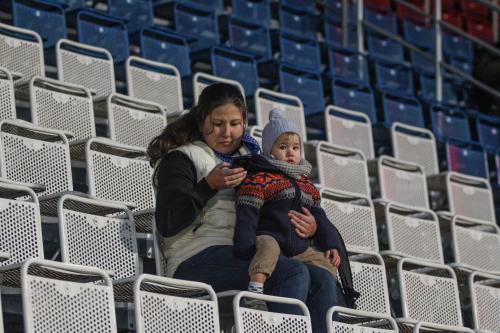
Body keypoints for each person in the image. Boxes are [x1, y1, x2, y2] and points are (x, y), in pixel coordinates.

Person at [148, 83, 354, 333]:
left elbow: (281, 210)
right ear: (202, 121)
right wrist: (208, 186)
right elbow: (168, 223)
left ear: (244, 122)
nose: (226, 133)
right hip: (194, 258)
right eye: (217, 123)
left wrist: (312, 229)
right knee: (292, 273)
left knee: (322, 278)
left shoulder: (255, 160)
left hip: (247, 251)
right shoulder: (182, 158)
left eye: (234, 124)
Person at [233, 109, 356, 310]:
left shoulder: (307, 185)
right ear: (269, 150)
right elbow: (248, 211)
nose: (291, 152)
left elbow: (320, 218)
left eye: (295, 147)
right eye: (283, 147)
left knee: (326, 265)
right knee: (268, 248)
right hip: (271, 236)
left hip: (300, 247)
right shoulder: (261, 178)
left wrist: (331, 244)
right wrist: (244, 245)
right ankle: (255, 291)